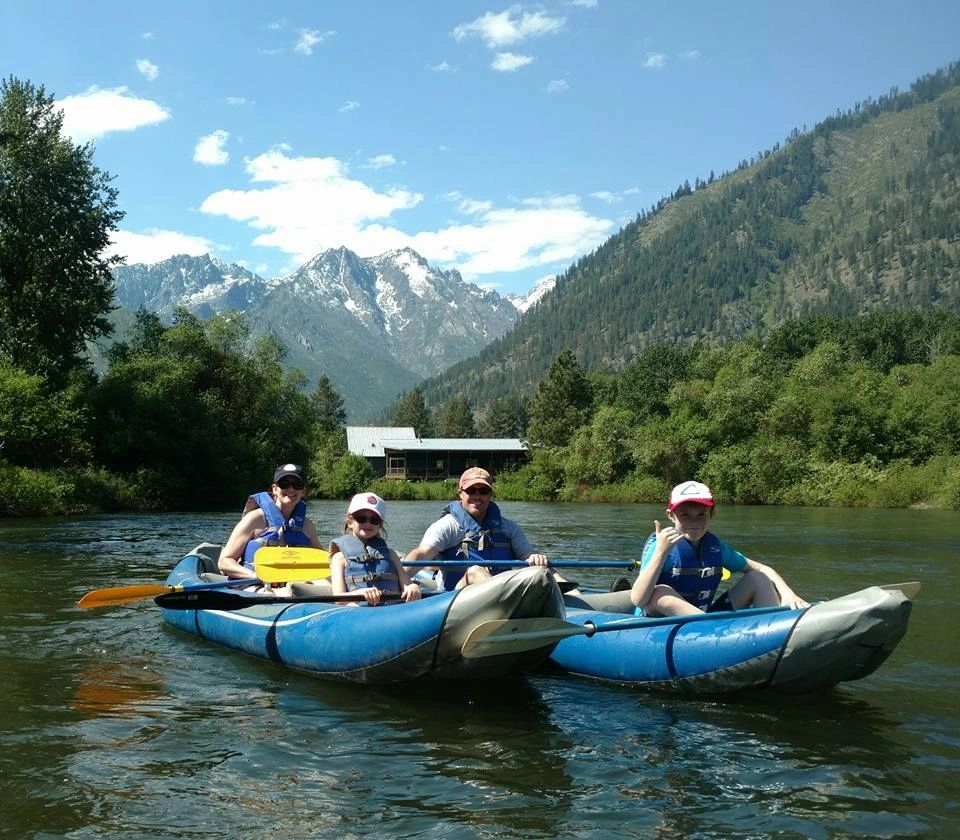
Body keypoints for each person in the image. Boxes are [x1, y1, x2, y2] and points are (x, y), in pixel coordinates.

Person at [630, 480, 809, 617]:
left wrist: (787, 594)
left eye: (701, 515)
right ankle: (713, 630)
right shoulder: (662, 545)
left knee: (758, 577)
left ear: (712, 514)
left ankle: (774, 626)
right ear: (671, 516)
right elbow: (638, 599)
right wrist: (660, 553)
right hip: (658, 622)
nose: (694, 522)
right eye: (685, 515)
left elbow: (762, 569)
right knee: (660, 592)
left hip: (705, 616)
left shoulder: (716, 547)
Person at [403, 467, 556, 591]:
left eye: (483, 491)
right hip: (456, 598)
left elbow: (527, 553)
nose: (477, 496)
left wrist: (535, 558)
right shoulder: (447, 526)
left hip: (505, 594)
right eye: (471, 491)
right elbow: (422, 553)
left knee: (541, 569)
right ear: (460, 494)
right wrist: (401, 581)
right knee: (475, 571)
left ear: (490, 495)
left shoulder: (508, 528)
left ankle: (578, 605)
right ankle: (513, 603)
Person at [218, 463, 323, 591]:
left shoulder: (307, 526)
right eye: (284, 484)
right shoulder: (254, 519)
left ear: (303, 491)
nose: (291, 489)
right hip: (253, 585)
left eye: (297, 485)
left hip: (292, 586)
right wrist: (257, 576)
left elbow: (323, 561)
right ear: (274, 488)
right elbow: (224, 562)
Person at [329, 493, 422, 606]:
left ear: (380, 524)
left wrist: (413, 587)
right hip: (356, 611)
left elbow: (407, 585)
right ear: (350, 522)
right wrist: (360, 593)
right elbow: (338, 599)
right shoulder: (339, 558)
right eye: (361, 518)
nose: (368, 523)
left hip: (392, 611)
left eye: (374, 520)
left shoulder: (391, 555)